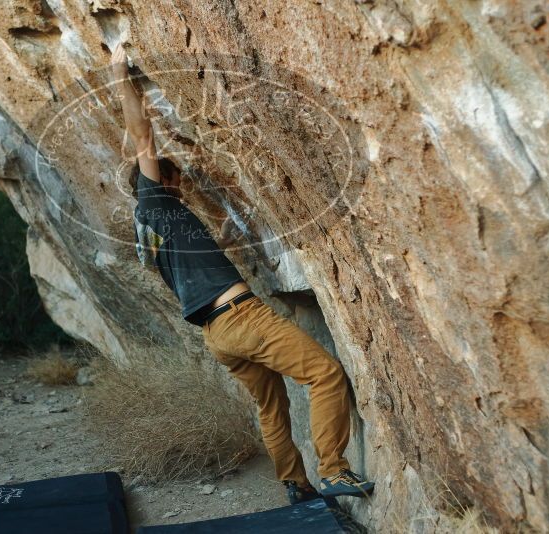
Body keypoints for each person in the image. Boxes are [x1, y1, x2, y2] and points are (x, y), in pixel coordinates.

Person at [110, 45, 374, 504]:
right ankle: (334, 470)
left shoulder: (146, 229)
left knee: (271, 408)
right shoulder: (157, 202)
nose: (185, 189)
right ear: (163, 182)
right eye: (179, 182)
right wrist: (119, 71)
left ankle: (295, 484)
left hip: (216, 335)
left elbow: (137, 157)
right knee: (326, 374)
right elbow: (141, 138)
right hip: (240, 317)